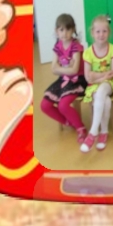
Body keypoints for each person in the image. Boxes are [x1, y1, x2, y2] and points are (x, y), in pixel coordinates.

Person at [40, 14, 87, 143]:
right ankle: (69, 122)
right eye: (61, 30)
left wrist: (60, 68)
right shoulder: (58, 45)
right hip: (64, 80)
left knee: (63, 105)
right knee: (44, 105)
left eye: (68, 29)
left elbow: (75, 70)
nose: (64, 33)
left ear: (73, 30)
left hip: (78, 80)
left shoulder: (76, 46)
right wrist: (66, 69)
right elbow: (53, 69)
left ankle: (80, 128)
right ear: (56, 31)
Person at [80, 16, 113, 152]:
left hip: (109, 83)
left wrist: (96, 76)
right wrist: (102, 75)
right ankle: (104, 132)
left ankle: (92, 132)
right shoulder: (88, 52)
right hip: (94, 85)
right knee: (105, 101)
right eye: (98, 31)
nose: (101, 34)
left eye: (104, 31)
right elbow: (87, 77)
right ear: (92, 33)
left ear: (109, 32)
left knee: (102, 90)